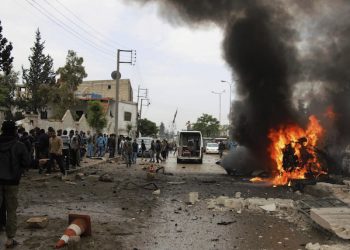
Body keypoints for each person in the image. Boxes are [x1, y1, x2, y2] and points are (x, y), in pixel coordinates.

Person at [0, 120, 30, 248]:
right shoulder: (19, 145)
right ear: (14, 130)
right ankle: (10, 239)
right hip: (12, 182)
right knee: (11, 210)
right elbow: (27, 162)